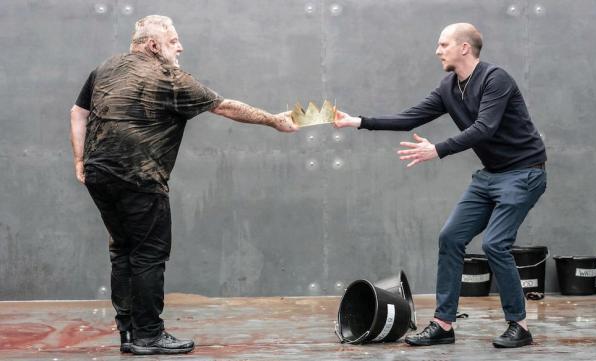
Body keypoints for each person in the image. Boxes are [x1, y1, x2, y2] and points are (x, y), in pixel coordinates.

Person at [69, 15, 297, 355]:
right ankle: (149, 335)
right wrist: (273, 120)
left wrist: (79, 160)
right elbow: (224, 106)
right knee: (148, 255)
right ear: (153, 45)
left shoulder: (107, 67)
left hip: (98, 175)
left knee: (123, 251)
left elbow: (77, 112)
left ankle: (129, 335)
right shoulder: (168, 77)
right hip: (140, 178)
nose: (180, 46)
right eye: (173, 40)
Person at [335, 23, 546, 348]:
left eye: (443, 44)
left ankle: (519, 325)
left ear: (464, 47)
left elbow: (484, 127)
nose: (437, 51)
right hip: (491, 175)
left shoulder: (495, 79)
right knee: (451, 237)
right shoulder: (449, 87)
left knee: (494, 244)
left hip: (524, 173)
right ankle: (443, 325)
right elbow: (410, 118)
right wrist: (358, 121)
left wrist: (438, 149)